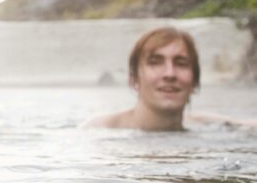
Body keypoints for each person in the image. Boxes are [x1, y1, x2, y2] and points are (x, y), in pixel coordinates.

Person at [83, 26, 255, 130]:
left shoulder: (206, 124)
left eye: (181, 63)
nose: (170, 74)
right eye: (155, 62)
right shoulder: (97, 130)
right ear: (134, 79)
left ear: (195, 81)